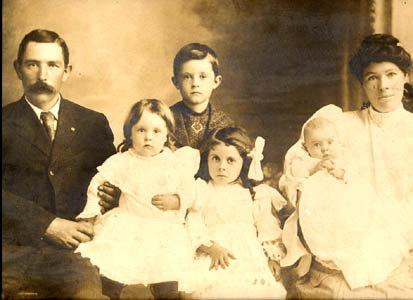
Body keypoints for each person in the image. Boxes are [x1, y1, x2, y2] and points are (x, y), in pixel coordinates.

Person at [281, 34, 413, 299]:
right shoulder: (339, 124)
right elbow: (295, 167)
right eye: (372, 77)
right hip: (337, 244)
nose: (383, 86)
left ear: (406, 76)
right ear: (363, 84)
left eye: (391, 74)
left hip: (398, 247)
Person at [2, 29, 116, 299]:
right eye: (33, 64)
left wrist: (114, 196)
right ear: (18, 69)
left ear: (67, 71)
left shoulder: (93, 124)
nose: (43, 76)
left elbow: (111, 182)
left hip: (73, 257)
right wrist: (46, 224)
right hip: (9, 250)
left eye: (52, 65)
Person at [75, 99, 200, 299]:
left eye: (156, 131)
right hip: (128, 227)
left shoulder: (174, 163)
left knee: (167, 278)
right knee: (114, 270)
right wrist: (90, 214)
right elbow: (95, 185)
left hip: (164, 231)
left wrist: (177, 200)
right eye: (141, 130)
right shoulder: (122, 161)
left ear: (167, 133)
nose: (148, 137)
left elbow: (192, 191)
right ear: (129, 133)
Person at [98, 43, 235, 214]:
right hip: (162, 204)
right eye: (187, 77)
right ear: (175, 82)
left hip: (210, 204)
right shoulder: (160, 122)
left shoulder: (226, 125)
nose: (195, 84)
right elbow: (134, 158)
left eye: (203, 76)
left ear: (216, 81)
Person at [186, 127, 287, 299]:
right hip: (215, 255)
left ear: (243, 164)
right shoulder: (201, 190)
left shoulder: (254, 193)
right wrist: (211, 247)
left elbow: (266, 227)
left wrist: (272, 258)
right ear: (207, 160)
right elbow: (194, 224)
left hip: (249, 256)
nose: (221, 167)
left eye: (230, 160)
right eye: (215, 158)